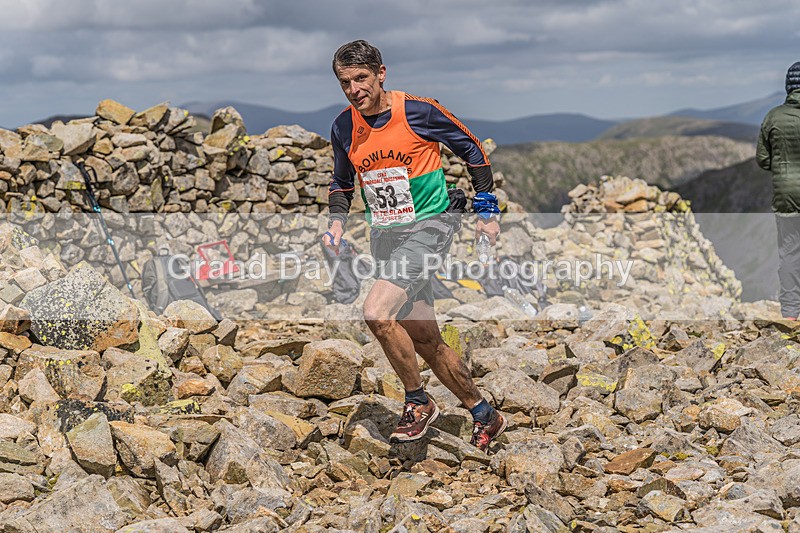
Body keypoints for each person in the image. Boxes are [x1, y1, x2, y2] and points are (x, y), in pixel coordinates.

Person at [323, 40, 506, 452]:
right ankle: (484, 414)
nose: (354, 89)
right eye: (345, 82)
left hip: (429, 229)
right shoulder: (343, 126)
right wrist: (336, 221)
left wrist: (487, 211)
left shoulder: (419, 111)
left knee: (376, 312)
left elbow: (473, 150)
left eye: (361, 79)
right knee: (424, 338)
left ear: (381, 74)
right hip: (384, 236)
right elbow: (341, 181)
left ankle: (417, 402)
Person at [758, 61, 800, 320]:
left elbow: (763, 159)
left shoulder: (773, 116)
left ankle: (791, 313)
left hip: (786, 197)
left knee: (790, 253)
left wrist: (784, 165)